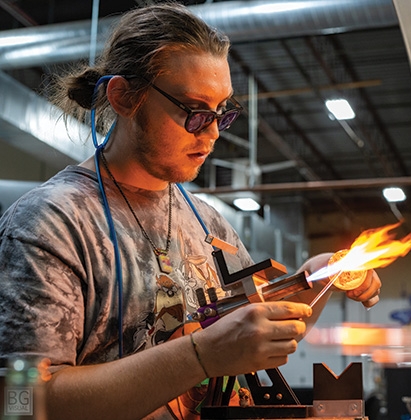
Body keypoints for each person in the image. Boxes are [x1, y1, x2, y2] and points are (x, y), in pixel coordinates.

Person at [0, 3, 381, 420]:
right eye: (195, 112)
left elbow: (251, 339)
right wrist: (200, 356)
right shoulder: (52, 222)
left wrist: (318, 275)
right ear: (125, 97)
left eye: (221, 113)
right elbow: (22, 402)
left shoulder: (208, 223)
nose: (213, 133)